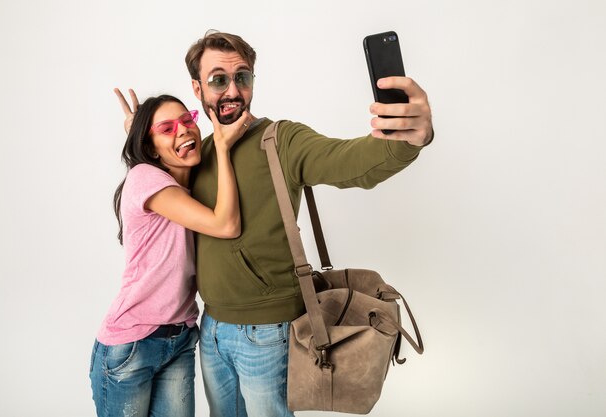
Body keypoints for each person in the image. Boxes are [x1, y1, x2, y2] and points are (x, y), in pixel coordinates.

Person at [118, 30, 433, 417]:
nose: (232, 90)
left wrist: (406, 139)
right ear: (197, 89)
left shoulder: (280, 140)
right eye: (218, 80)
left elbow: (349, 162)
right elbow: (158, 181)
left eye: (243, 77)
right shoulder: (195, 153)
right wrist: (144, 132)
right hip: (210, 328)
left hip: (266, 334)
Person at [89, 93, 250, 417]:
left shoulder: (185, 185)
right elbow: (227, 224)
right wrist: (221, 146)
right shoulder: (145, 178)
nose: (184, 130)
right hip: (131, 345)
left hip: (179, 339)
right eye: (167, 128)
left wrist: (152, 134)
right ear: (149, 148)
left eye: (187, 120)